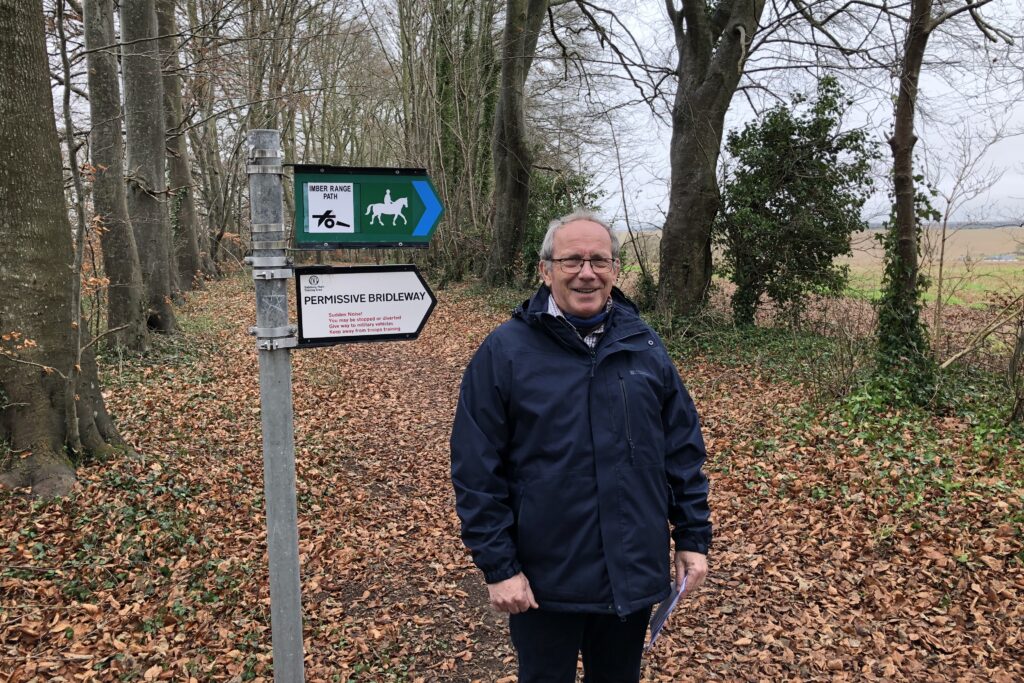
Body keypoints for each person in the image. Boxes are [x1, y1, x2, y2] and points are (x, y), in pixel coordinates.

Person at [450, 210, 712, 682]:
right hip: (542, 582)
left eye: (599, 260)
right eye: (572, 260)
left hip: (629, 575)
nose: (586, 273)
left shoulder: (645, 347)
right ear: (545, 269)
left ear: (615, 270)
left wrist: (692, 538)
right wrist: (499, 567)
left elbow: (682, 451)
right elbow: (476, 470)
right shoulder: (506, 351)